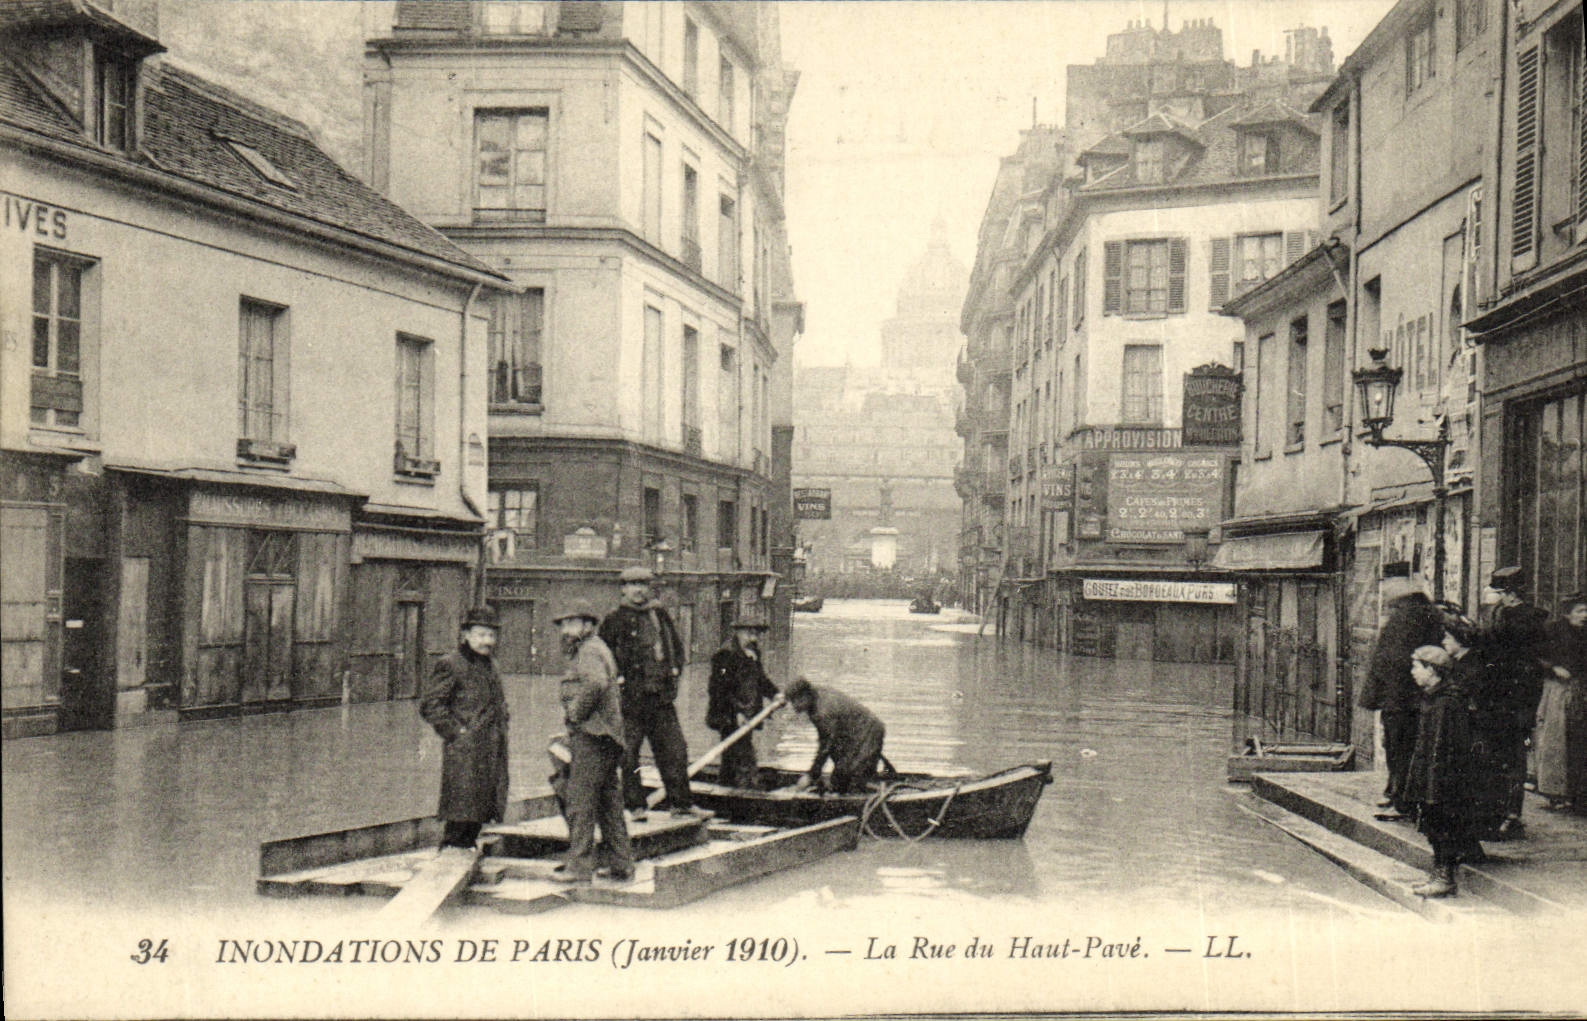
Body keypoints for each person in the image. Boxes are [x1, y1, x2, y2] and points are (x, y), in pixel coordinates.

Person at [599, 566, 695, 820]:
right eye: (633, 585)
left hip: (660, 699)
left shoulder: (659, 615)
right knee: (628, 755)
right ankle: (635, 806)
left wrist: (672, 680)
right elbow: (603, 659)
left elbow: (676, 649)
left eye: (643, 584)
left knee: (675, 751)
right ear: (623, 589)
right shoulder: (613, 619)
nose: (639, 590)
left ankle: (681, 803)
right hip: (629, 703)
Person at [550, 602, 634, 884]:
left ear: (587, 625)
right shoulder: (595, 648)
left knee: (579, 802)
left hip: (593, 737)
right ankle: (621, 864)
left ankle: (579, 866)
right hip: (607, 738)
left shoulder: (588, 651)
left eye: (571, 623)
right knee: (609, 803)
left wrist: (574, 712)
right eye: (562, 624)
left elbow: (596, 683)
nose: (565, 630)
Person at [1357, 562, 1445, 821]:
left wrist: (1387, 697)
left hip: (1402, 698)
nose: (1384, 591)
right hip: (1402, 696)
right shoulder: (1414, 611)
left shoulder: (1410, 615)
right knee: (1398, 747)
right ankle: (1397, 793)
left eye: (1387, 585)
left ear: (1400, 584)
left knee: (1401, 747)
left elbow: (1395, 661)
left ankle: (1403, 801)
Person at [419, 606, 509, 853]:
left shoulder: (492, 665)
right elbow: (430, 705)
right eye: (480, 634)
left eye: (491, 635)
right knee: (461, 809)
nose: (486, 641)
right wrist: (457, 734)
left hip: (491, 747)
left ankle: (465, 849)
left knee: (481, 806)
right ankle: (450, 853)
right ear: (466, 635)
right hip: (466, 751)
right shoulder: (450, 664)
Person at [1402, 645, 1480, 898]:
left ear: (1432, 670)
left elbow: (1444, 746)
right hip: (1432, 773)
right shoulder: (1433, 697)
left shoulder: (1447, 702)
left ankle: (1445, 877)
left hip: (1444, 777)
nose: (1413, 672)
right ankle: (1438, 873)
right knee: (1433, 823)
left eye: (1417, 666)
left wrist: (1433, 782)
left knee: (1443, 824)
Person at [1481, 565, 1550, 839]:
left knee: (1511, 758)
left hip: (1515, 699)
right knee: (1502, 757)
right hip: (1500, 698)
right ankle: (1501, 812)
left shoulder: (1522, 621)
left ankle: (1511, 815)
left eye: (1495, 592)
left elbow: (1516, 660)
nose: (1490, 597)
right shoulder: (1501, 615)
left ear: (1508, 595)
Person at [707, 618, 783, 789]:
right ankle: (745, 792)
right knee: (744, 756)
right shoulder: (725, 654)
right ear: (738, 633)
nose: (754, 638)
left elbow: (760, 680)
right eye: (750, 633)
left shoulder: (753, 653)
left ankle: (724, 789)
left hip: (747, 714)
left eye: (756, 634)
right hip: (729, 714)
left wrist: (775, 694)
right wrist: (736, 713)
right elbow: (719, 690)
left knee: (730, 754)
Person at [785, 677, 886, 795]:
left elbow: (826, 746)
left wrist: (812, 775)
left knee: (854, 779)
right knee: (841, 776)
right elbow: (833, 743)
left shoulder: (823, 712)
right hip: (853, 735)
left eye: (795, 701)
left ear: (805, 696)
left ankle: (869, 796)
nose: (794, 706)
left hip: (868, 733)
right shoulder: (815, 694)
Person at [1536, 593, 1586, 813]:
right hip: (1557, 690)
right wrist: (1553, 668)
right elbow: (1536, 656)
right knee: (1556, 740)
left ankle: (1578, 794)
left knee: (1579, 742)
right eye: (1580, 611)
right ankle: (1555, 793)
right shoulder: (1552, 630)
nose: (1585, 616)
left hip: (1582, 689)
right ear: (1567, 613)